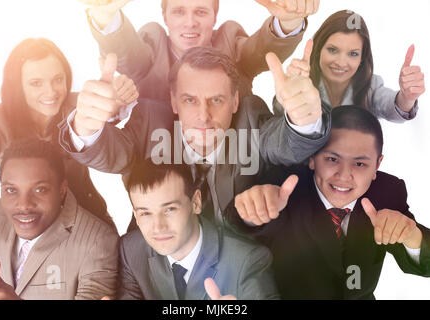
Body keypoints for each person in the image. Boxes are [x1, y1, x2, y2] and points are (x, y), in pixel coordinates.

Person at [59, 46, 330, 227]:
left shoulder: (250, 116)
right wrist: (87, 125)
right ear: (174, 103)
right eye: (190, 100)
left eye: (217, 100)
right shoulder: (151, 121)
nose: (203, 115)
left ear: (235, 102)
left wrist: (303, 119)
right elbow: (113, 153)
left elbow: (284, 143)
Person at [231, 106, 430, 299]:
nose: (344, 176)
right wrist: (252, 212)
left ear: (377, 165)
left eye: (359, 163)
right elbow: (238, 224)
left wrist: (410, 236)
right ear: (312, 158)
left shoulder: (388, 192)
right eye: (332, 159)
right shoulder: (285, 186)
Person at [0, 38, 138, 225]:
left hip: (87, 222)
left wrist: (114, 103)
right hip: (32, 227)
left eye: (57, 80)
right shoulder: (1, 121)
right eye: (36, 83)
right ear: (18, 87)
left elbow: (97, 115)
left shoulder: (76, 106)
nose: (51, 92)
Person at [79, 0, 320, 103]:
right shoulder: (151, 45)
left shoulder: (229, 41)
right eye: (179, 11)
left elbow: (258, 52)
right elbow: (128, 54)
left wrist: (288, 22)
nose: (190, 22)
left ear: (215, 16)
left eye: (201, 12)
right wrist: (105, 16)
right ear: (164, 16)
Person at [116, 160, 279, 300]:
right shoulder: (130, 250)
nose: (158, 227)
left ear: (196, 203)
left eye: (170, 209)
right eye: (145, 213)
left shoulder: (248, 260)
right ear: (135, 216)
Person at [0, 139, 119, 300]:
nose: (24, 205)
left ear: (62, 190)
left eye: (40, 189)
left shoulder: (98, 241)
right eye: (11, 190)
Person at [286, 10, 425, 122]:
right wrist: (292, 89)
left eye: (353, 54)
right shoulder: (302, 78)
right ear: (318, 49)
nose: (341, 62)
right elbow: (280, 115)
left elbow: (390, 105)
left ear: (362, 59)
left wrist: (407, 98)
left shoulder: (372, 85)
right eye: (333, 50)